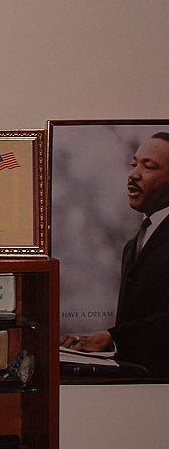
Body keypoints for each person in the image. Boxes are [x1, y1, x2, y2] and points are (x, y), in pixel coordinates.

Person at [61, 132, 169, 376]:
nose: (133, 175)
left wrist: (113, 338)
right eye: (133, 165)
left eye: (149, 167)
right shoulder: (132, 245)